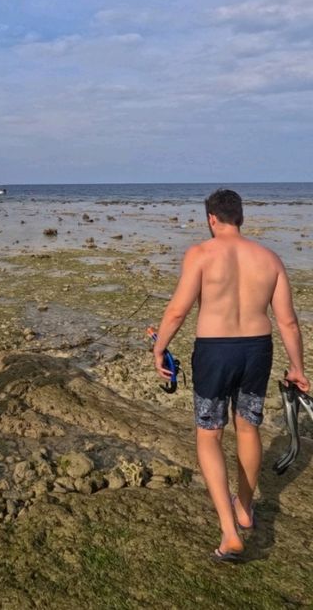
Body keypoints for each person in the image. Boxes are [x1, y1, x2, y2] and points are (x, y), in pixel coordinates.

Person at [153, 189, 309, 562]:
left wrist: (160, 347)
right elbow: (287, 320)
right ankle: (245, 508)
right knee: (248, 426)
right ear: (241, 217)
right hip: (257, 349)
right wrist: (298, 367)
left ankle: (229, 532)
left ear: (211, 219)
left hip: (215, 352)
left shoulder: (200, 254)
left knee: (209, 433)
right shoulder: (269, 258)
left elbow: (178, 310)